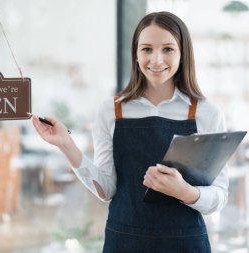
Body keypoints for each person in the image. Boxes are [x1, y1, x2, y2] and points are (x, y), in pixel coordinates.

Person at [31, 11, 228, 253]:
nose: (156, 60)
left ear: (183, 53)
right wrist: (65, 144)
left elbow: (219, 196)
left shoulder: (207, 113)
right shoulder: (111, 111)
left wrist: (184, 191)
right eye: (146, 49)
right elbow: (107, 190)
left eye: (168, 49)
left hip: (185, 243)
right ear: (135, 54)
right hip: (124, 241)